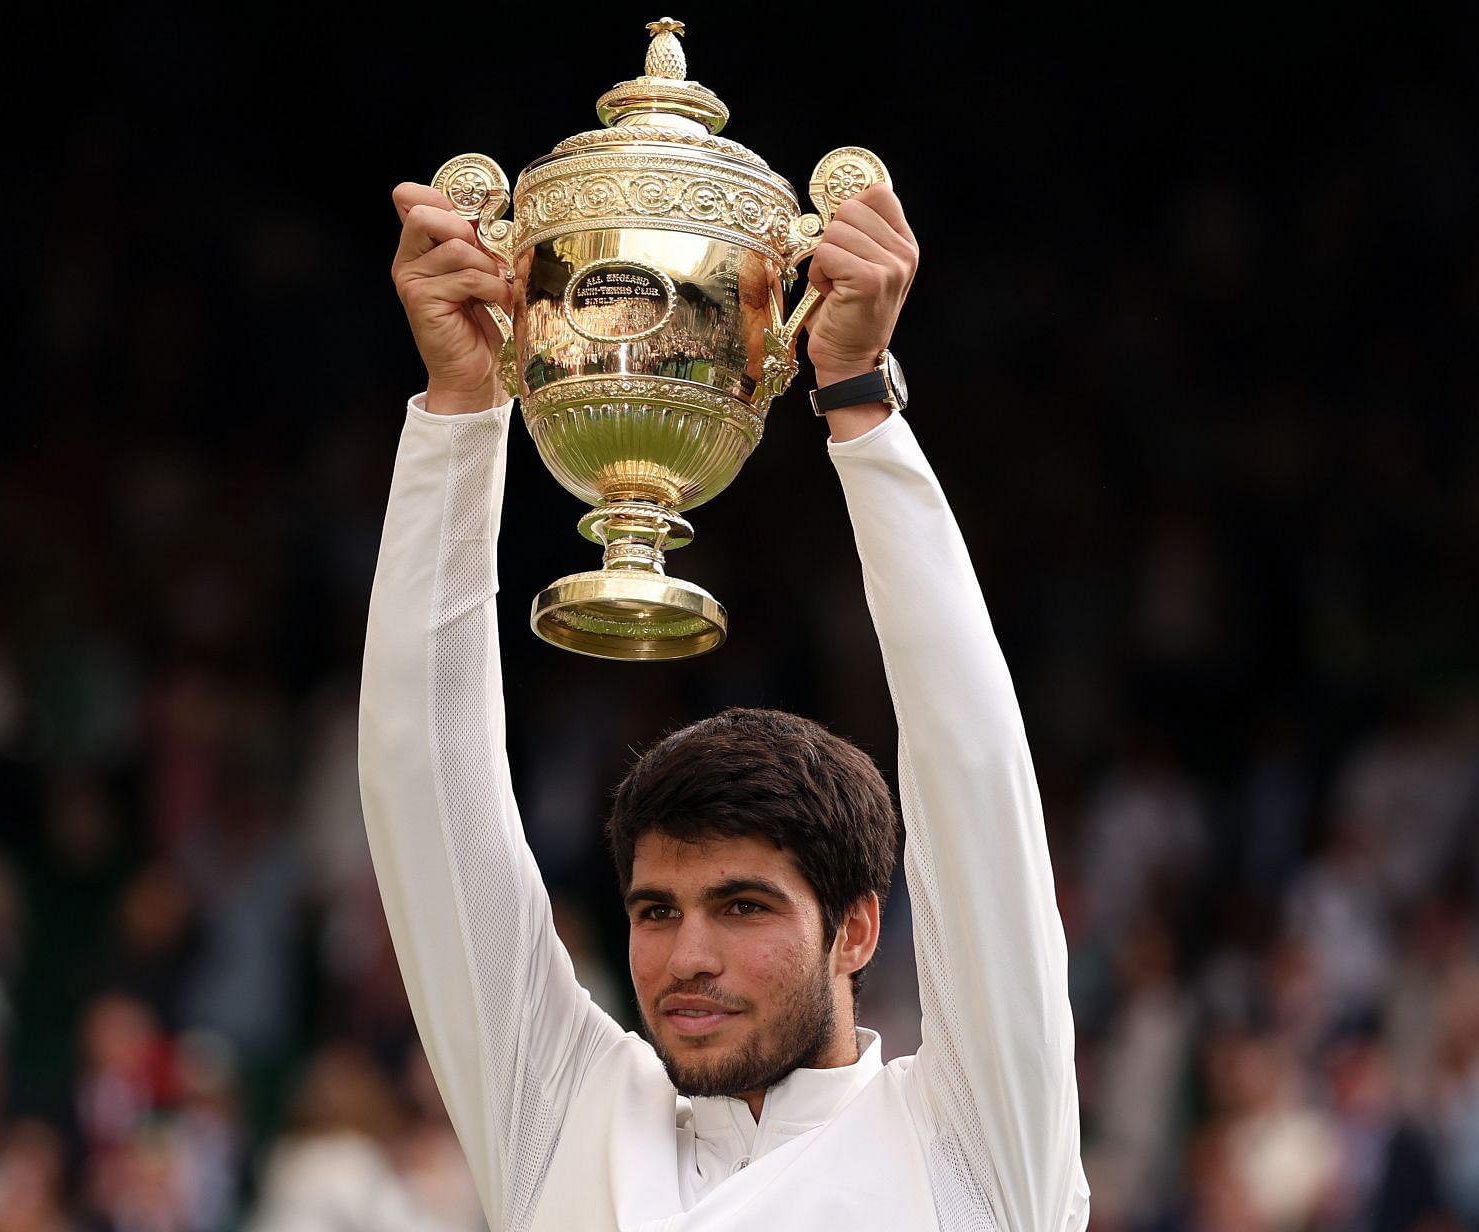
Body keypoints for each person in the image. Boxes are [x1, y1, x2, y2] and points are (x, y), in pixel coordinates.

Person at [359, 177, 1088, 1231]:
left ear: (857, 928)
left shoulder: (974, 1143)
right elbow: (417, 778)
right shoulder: (566, 1117)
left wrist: (858, 405)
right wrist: (463, 409)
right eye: (658, 908)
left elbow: (975, 771)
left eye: (743, 904)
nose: (686, 955)